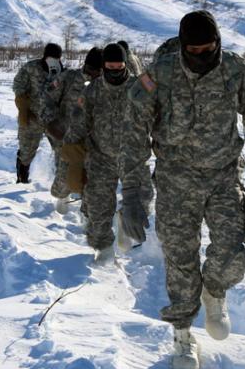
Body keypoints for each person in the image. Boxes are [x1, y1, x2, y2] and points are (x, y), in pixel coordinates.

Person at [128, 10, 245, 369]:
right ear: (183, 47)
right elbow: (134, 126)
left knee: (231, 254)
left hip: (222, 177)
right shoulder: (161, 74)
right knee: (180, 259)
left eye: (208, 48)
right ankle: (183, 336)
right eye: (194, 50)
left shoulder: (234, 70)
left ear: (218, 42)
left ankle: (214, 291)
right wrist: (134, 186)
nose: (202, 55)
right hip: (175, 181)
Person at [65, 43, 151, 264]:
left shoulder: (139, 87)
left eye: (119, 66)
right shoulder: (92, 89)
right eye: (110, 66)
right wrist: (71, 150)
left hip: (133, 158)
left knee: (142, 202)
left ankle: (125, 222)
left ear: (125, 64)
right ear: (103, 66)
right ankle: (103, 249)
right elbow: (80, 120)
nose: (114, 70)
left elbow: (157, 116)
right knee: (98, 207)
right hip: (101, 156)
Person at [43, 46, 102, 212]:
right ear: (86, 65)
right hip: (65, 138)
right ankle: (61, 201)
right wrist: (51, 123)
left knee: (93, 181)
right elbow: (46, 98)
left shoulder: (105, 83)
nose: (94, 73)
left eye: (98, 70)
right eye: (91, 69)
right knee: (63, 183)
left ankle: (88, 214)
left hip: (94, 142)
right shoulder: (68, 78)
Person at [12, 43, 63, 184]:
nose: (54, 60)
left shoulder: (62, 72)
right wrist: (24, 108)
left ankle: (61, 183)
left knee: (62, 150)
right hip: (32, 118)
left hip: (54, 120)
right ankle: (22, 180)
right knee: (26, 151)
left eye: (57, 58)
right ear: (45, 56)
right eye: (51, 57)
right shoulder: (31, 68)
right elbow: (17, 86)